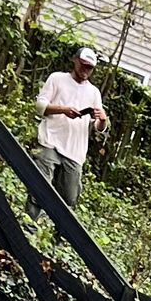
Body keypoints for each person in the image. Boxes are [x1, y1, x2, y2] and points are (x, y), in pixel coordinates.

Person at [33, 46, 109, 208]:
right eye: (83, 64)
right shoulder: (57, 79)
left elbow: (98, 127)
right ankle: (26, 230)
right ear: (74, 60)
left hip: (75, 152)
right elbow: (40, 106)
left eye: (90, 67)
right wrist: (63, 109)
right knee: (38, 190)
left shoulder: (94, 92)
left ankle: (60, 233)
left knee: (69, 200)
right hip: (50, 141)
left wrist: (103, 120)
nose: (85, 70)